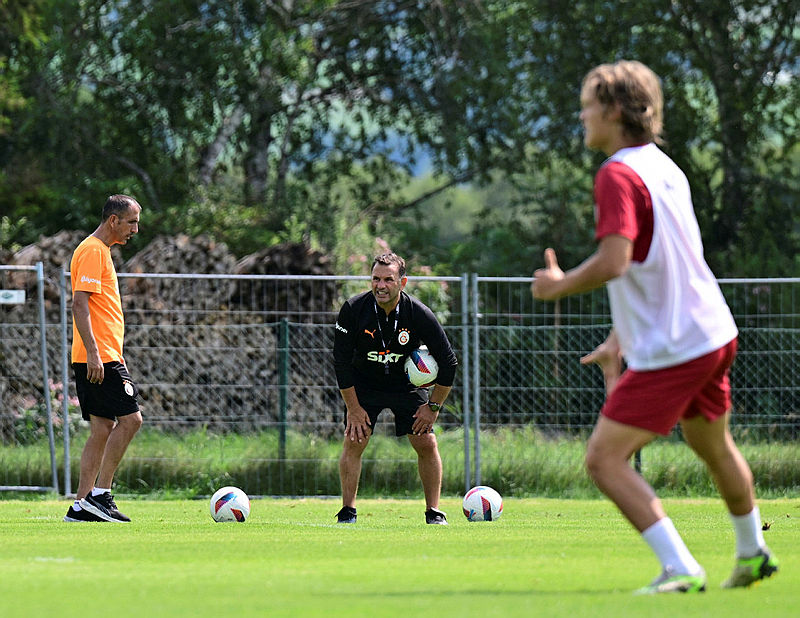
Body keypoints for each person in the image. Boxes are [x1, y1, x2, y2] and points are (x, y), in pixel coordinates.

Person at [531, 60, 778, 593]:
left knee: (603, 458)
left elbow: (615, 261)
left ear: (615, 111)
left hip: (677, 347)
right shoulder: (664, 168)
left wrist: (557, 285)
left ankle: (681, 567)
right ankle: (752, 550)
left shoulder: (617, 173)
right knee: (712, 445)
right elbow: (666, 263)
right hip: (712, 332)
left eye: (589, 105)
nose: (582, 115)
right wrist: (623, 336)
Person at [333, 252, 458, 524]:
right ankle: (348, 511)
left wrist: (433, 407)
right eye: (376, 279)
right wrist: (354, 409)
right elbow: (340, 363)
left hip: (406, 386)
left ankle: (433, 512)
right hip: (364, 383)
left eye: (388, 279)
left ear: (402, 282)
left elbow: (449, 363)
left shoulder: (419, 313)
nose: (380, 285)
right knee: (355, 438)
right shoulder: (353, 309)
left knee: (426, 441)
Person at [63, 195, 143, 523]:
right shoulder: (93, 250)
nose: (135, 229)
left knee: (102, 427)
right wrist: (96, 353)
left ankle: (82, 505)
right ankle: (101, 494)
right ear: (113, 220)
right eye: (131, 222)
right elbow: (79, 304)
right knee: (131, 420)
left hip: (98, 355)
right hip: (101, 357)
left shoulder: (100, 251)